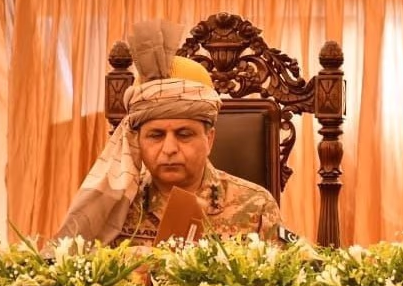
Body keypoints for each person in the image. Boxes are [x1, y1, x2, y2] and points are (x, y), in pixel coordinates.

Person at [56, 20, 284, 246]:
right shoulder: (115, 206)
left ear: (209, 139)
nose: (169, 149)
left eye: (184, 134)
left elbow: (284, 269)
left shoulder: (256, 206)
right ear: (137, 140)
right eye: (156, 135)